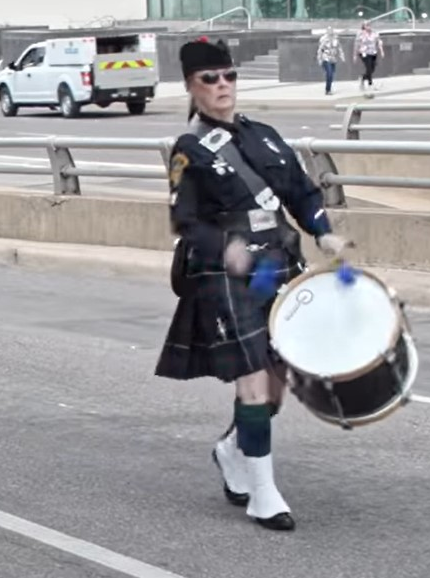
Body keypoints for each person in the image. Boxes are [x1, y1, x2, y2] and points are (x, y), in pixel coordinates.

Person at [153, 38, 351, 533]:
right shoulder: (190, 149)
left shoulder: (265, 135)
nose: (222, 86)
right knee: (255, 379)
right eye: (210, 79)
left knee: (280, 379)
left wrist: (323, 231)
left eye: (228, 76)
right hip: (227, 274)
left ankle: (231, 448)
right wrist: (225, 247)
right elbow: (184, 220)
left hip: (279, 264)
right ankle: (263, 495)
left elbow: (302, 193)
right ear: (191, 87)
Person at [353, 23, 382, 95]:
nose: (369, 27)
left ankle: (363, 78)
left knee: (372, 68)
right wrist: (355, 55)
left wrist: (381, 51)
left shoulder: (374, 33)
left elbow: (379, 42)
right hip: (364, 53)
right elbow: (357, 44)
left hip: (373, 52)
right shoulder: (360, 34)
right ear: (364, 27)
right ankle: (370, 83)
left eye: (370, 25)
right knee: (368, 67)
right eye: (367, 26)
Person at [316, 27, 343, 96]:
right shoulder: (324, 39)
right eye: (329, 31)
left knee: (332, 74)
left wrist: (342, 56)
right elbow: (320, 49)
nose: (331, 32)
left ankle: (329, 86)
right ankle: (328, 90)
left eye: (331, 31)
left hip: (333, 58)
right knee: (329, 73)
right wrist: (319, 58)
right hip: (326, 57)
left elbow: (339, 48)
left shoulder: (336, 39)